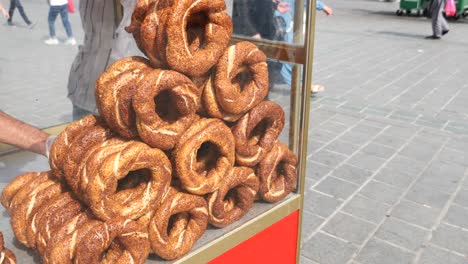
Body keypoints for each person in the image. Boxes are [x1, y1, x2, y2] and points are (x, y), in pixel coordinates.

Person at [277, 0, 332, 94]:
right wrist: (321, 6)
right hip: (279, 22)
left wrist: (321, 6)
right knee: (287, 56)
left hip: (283, 22)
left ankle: (302, 84)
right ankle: (302, 85)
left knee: (286, 55)